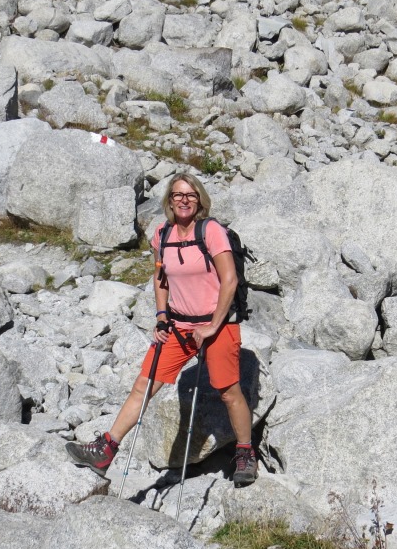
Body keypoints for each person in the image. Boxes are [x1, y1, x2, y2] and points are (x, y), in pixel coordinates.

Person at [64, 173, 257, 485]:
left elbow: (230, 280)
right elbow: (160, 277)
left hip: (217, 325)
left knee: (229, 393)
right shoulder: (162, 234)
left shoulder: (211, 231)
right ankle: (106, 450)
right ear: (169, 200)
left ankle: (245, 453)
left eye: (191, 195)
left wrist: (212, 326)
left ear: (200, 200)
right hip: (178, 326)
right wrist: (161, 316)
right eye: (178, 194)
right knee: (144, 385)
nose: (184, 200)